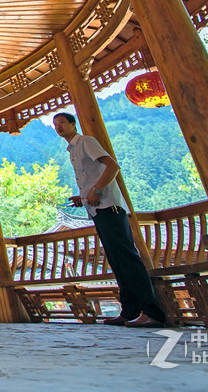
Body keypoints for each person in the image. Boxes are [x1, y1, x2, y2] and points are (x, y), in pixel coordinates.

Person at [54, 112, 167, 328]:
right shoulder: (72, 150)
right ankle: (130, 311)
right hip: (98, 209)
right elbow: (93, 177)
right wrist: (84, 197)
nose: (58, 126)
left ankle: (152, 312)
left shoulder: (86, 141)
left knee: (127, 259)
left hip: (110, 207)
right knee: (117, 260)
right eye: (55, 124)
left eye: (62, 122)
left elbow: (112, 166)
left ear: (72, 124)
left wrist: (96, 190)